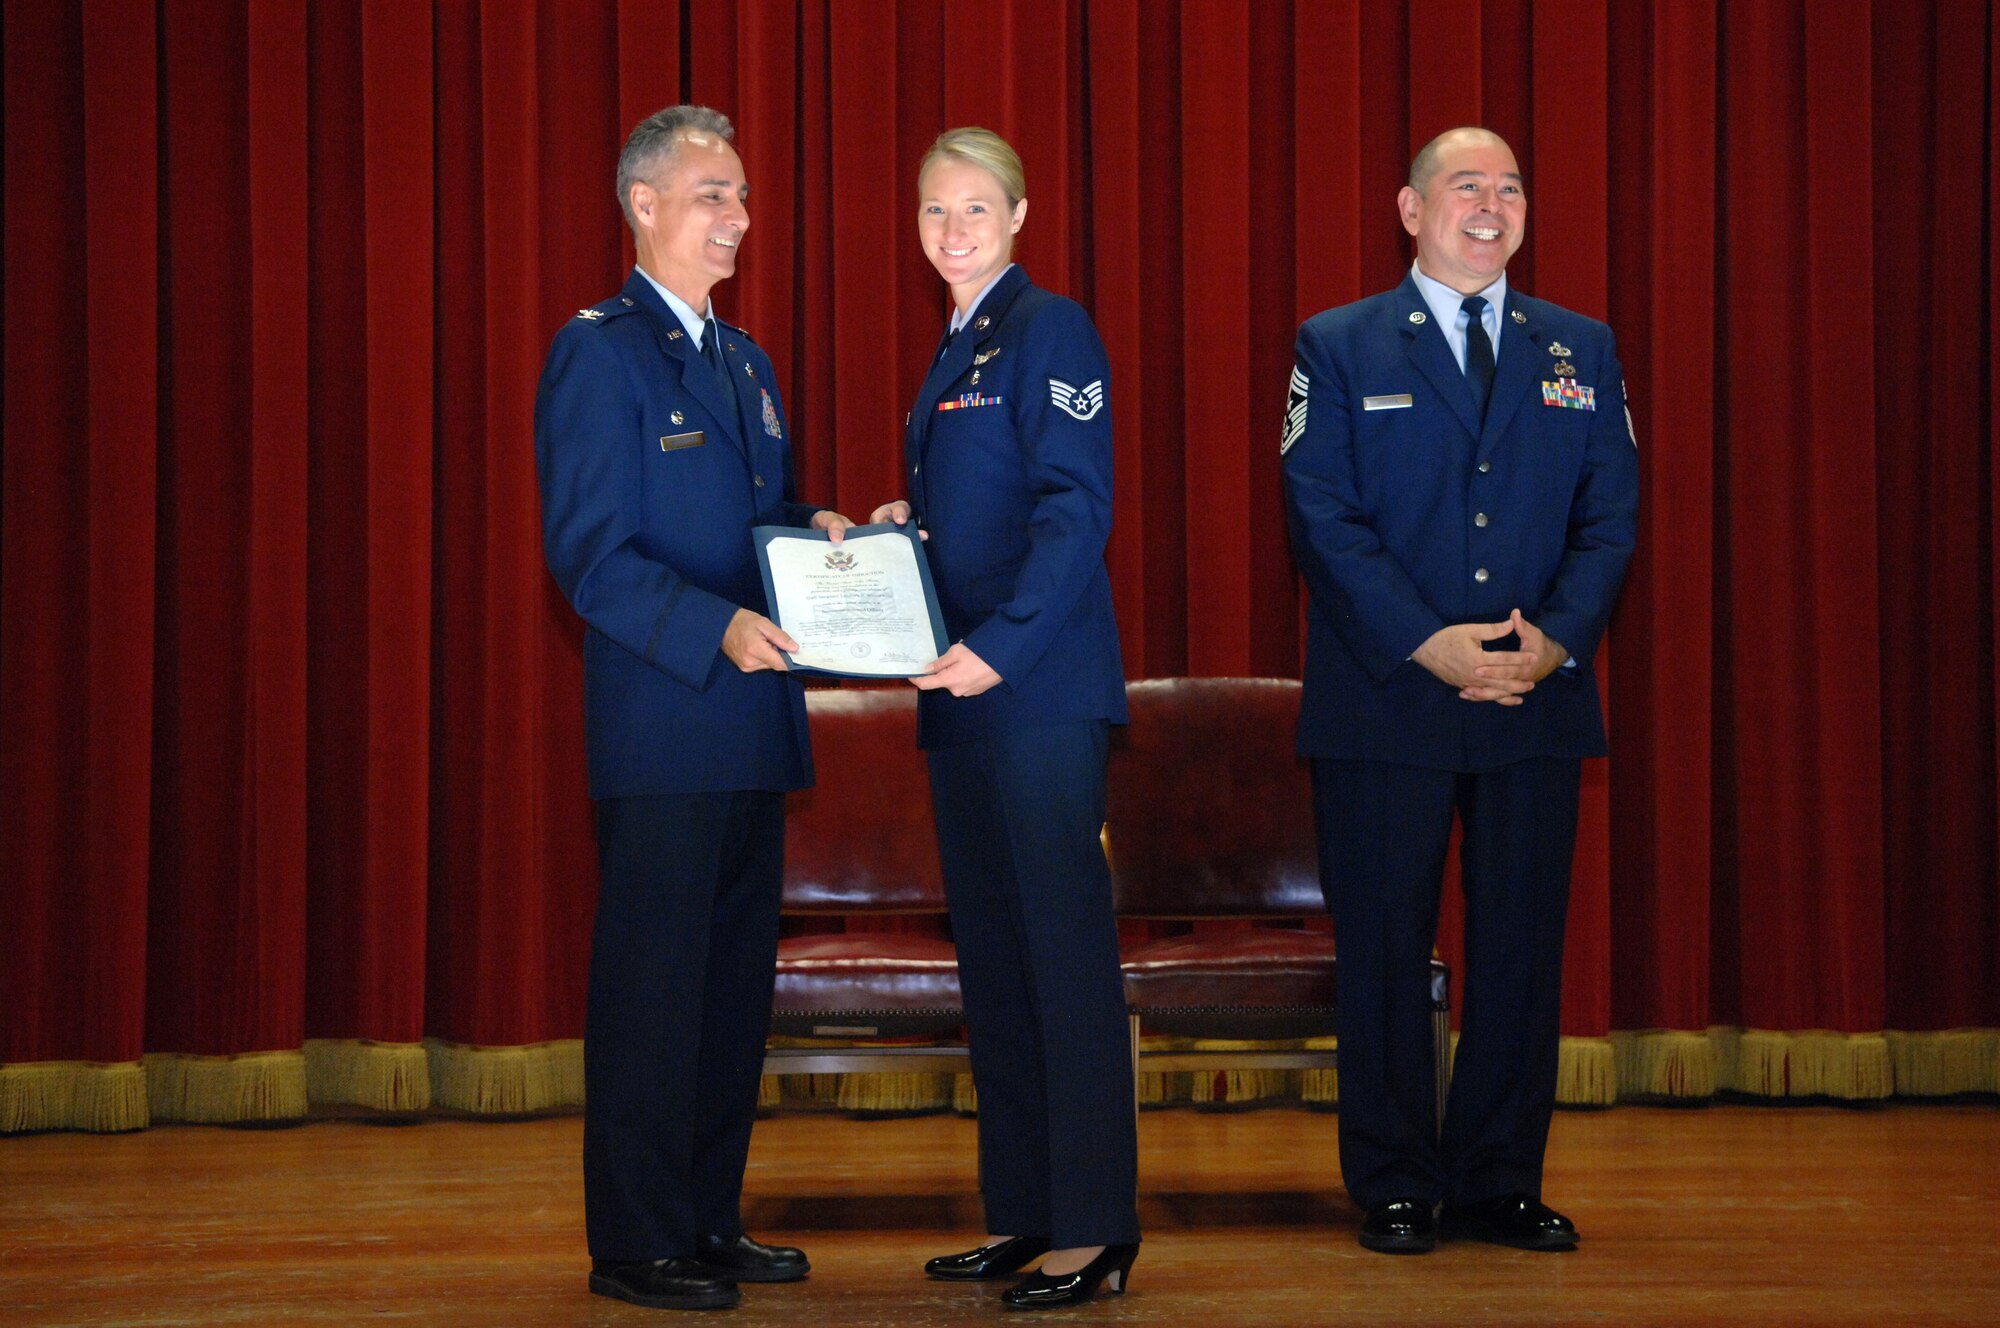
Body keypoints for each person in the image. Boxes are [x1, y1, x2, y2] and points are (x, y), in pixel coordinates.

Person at [1281, 127, 1639, 1256]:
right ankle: (1394, 1178)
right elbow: (1320, 516)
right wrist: (1425, 641)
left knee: (1520, 950)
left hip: (1533, 693)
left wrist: (1557, 641)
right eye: (1465, 186)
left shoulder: (1579, 346)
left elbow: (1610, 517)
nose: (1490, 206)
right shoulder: (1338, 342)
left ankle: (1498, 1176)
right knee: (1384, 950)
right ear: (1409, 207)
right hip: (1386, 696)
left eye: (1510, 188)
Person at [534, 104, 853, 1312]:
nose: (738, 217)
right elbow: (591, 556)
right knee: (652, 996)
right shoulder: (598, 353)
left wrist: (823, 531)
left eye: (742, 196)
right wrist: (712, 624)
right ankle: (635, 1239)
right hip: (664, 724)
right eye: (713, 193)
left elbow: (758, 524)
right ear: (644, 203)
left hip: (752, 728)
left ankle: (709, 1219)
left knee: (726, 999)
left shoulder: (744, 361)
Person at [869, 127, 1139, 1310]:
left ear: (1019, 215)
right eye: (934, 210)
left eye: (975, 207)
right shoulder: (955, 346)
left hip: (1034, 689)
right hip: (964, 695)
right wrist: (906, 532)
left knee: (1062, 959)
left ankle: (1093, 1226)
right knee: (995, 960)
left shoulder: (1048, 328)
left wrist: (1001, 645)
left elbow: (1075, 510)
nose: (953, 228)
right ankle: (1026, 1208)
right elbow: (982, 511)